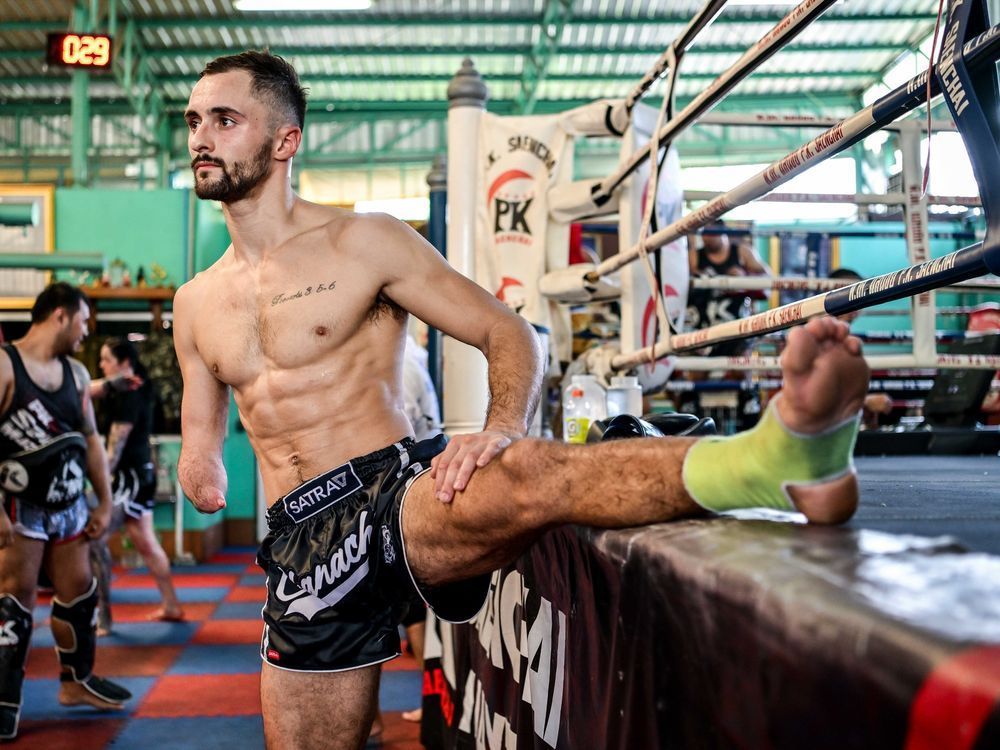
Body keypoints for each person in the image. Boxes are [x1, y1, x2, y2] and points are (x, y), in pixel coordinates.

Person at [174, 50, 868, 750]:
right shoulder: (194, 303)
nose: (201, 136)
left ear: (285, 140)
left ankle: (780, 456)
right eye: (195, 120)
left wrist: (499, 428)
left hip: (393, 494)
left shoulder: (365, 241)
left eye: (225, 119)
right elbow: (202, 441)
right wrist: (200, 470)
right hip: (304, 542)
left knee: (527, 470)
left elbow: (511, 334)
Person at [0, 283, 132, 740]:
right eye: (83, 320)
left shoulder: (76, 374)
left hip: (70, 503)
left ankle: (75, 684)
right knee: (13, 602)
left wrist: (105, 498)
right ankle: (3, 700)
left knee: (79, 592)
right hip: (20, 506)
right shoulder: (5, 365)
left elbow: (92, 440)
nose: (86, 330)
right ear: (60, 314)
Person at [88, 337, 184, 636]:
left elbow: (115, 450)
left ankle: (103, 618)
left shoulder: (130, 392)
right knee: (144, 540)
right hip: (140, 475)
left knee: (94, 538)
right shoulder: (131, 388)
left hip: (129, 479)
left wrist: (100, 491)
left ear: (124, 363)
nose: (101, 365)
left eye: (106, 359)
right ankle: (171, 605)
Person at [686, 223, 772, 357]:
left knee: (739, 368)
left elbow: (767, 282)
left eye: (711, 233)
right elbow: (683, 289)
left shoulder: (742, 252)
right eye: (704, 234)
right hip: (704, 325)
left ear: (722, 232)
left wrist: (744, 277)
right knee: (698, 370)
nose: (707, 238)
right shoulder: (694, 257)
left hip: (737, 323)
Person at [828, 269, 895, 426]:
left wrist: (864, 411)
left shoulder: (846, 338)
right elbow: (814, 398)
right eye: (852, 297)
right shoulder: (817, 338)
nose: (857, 306)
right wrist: (864, 403)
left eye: (860, 297)